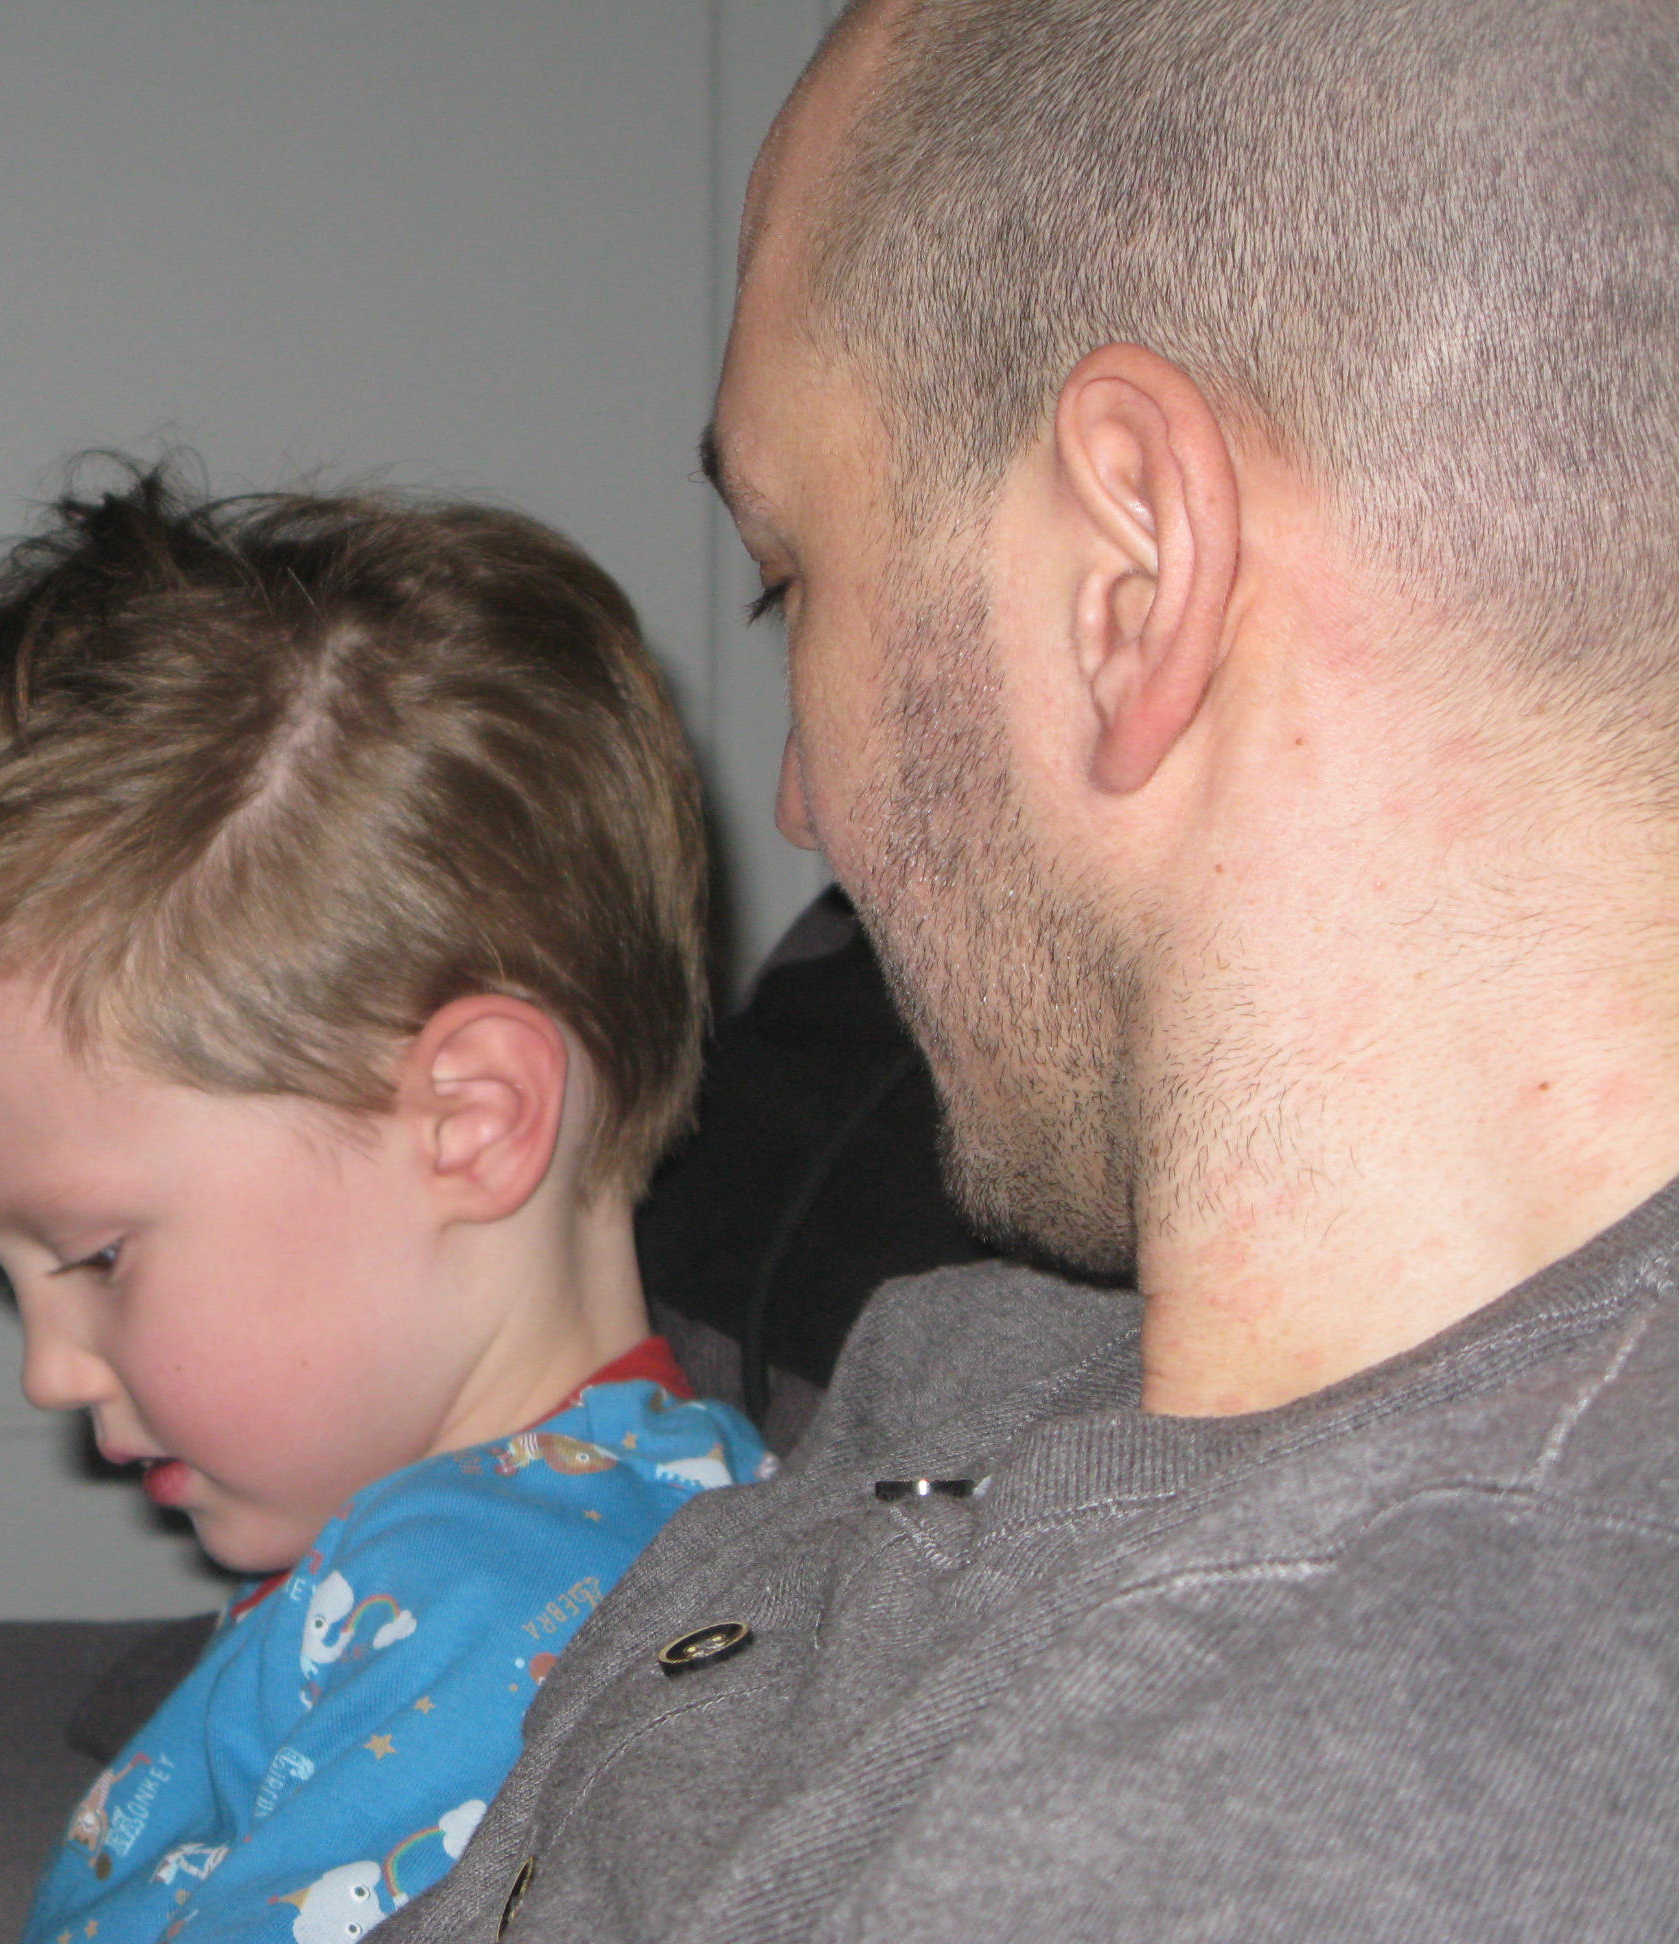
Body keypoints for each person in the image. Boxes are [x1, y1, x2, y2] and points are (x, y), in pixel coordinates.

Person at [391, 0, 1679, 1936]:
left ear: (1128, 583)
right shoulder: (1003, 1368)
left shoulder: (1348, 1797)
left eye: (790, 578)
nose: (802, 801)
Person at [0, 462, 766, 1944]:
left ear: (472, 1123)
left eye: (96, 1256)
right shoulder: (502, 1546)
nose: (48, 1371)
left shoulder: (502, 1620)